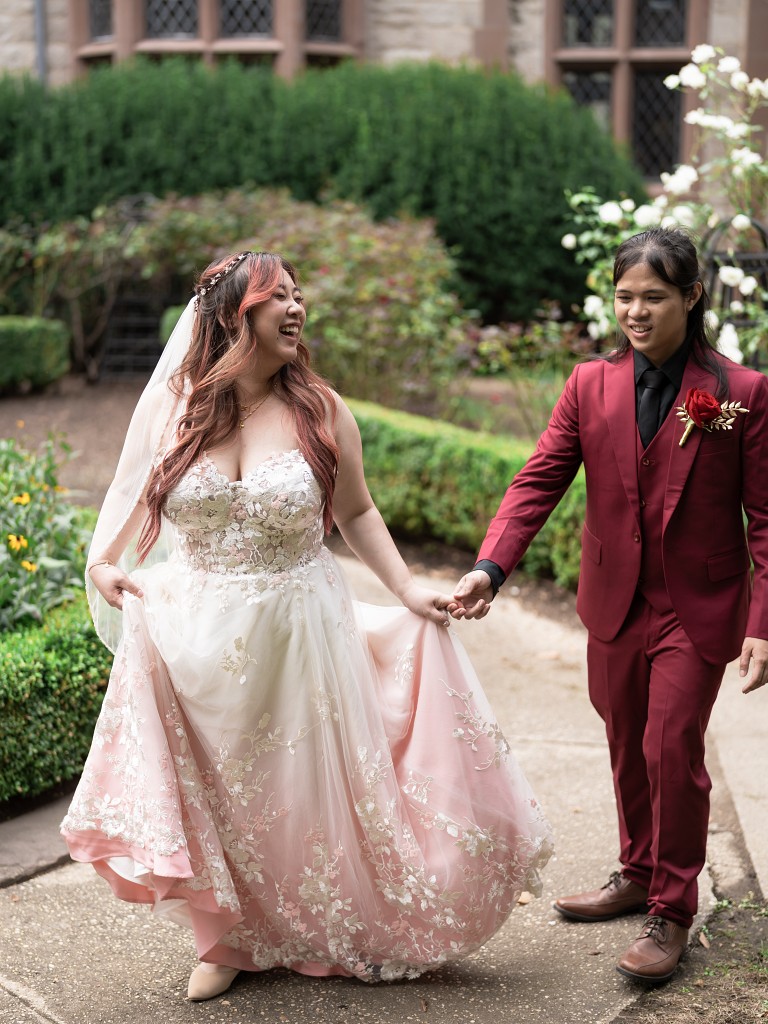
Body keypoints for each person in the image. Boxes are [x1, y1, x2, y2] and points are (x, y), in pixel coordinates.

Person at [61, 251, 553, 1002]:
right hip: (192, 632)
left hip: (297, 627)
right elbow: (125, 511)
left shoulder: (320, 409)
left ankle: (306, 924)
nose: (295, 309)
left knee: (290, 789)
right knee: (216, 791)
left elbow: (354, 510)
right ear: (233, 315)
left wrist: (405, 587)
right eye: (277, 298)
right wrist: (104, 569)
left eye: (298, 297)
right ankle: (228, 938)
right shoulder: (173, 406)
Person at [452, 228, 768, 984]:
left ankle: (673, 909)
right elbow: (539, 480)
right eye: (624, 295)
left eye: (652, 297)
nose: (635, 310)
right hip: (614, 601)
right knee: (627, 739)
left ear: (691, 298)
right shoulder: (589, 385)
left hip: (699, 606)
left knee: (669, 746)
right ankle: (636, 871)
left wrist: (763, 624)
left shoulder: (740, 394)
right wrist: (490, 568)